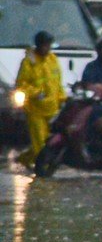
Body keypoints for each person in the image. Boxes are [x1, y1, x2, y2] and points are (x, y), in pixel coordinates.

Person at [13, 31, 64, 168]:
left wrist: (62, 99)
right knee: (40, 145)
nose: (47, 48)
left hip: (52, 109)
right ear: (38, 45)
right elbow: (21, 85)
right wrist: (36, 93)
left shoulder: (52, 59)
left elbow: (58, 83)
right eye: (45, 45)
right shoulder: (29, 62)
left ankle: (24, 159)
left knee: (50, 144)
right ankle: (43, 171)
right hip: (36, 111)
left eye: (49, 45)